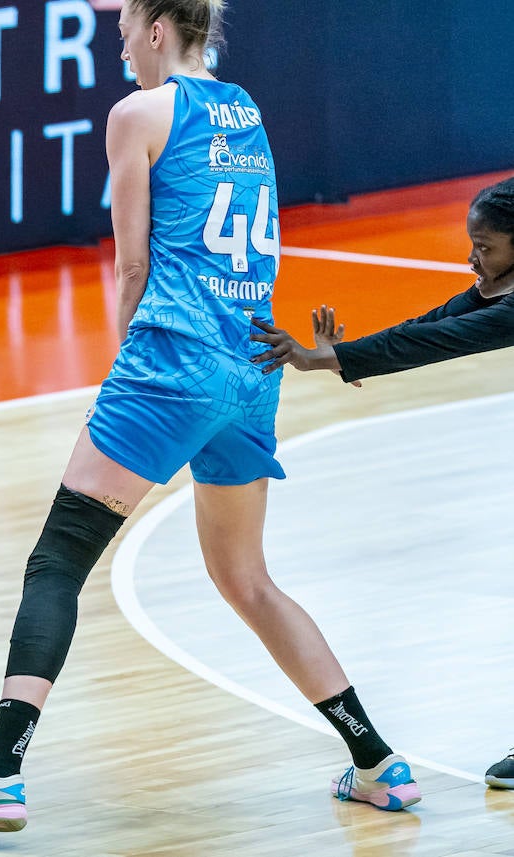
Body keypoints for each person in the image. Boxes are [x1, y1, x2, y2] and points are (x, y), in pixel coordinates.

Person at [0, 0, 420, 834]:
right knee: (246, 578)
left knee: (57, 560)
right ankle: (378, 762)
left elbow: (132, 264)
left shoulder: (136, 114)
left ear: (159, 31)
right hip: (252, 367)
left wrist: (125, 370)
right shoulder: (246, 109)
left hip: (174, 362)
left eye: (125, 32)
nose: (122, 49)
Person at [250, 174, 514, 791]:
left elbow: (440, 341)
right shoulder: (496, 291)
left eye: (485, 248)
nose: (472, 259)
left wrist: (328, 359)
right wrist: (340, 359)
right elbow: (432, 324)